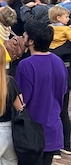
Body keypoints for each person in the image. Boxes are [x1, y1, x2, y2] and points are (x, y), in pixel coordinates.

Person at [16, 21, 68, 164]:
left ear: (31, 41)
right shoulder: (59, 62)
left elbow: (21, 99)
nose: (23, 36)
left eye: (26, 34)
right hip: (53, 128)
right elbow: (62, 91)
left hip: (31, 131)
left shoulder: (26, 65)